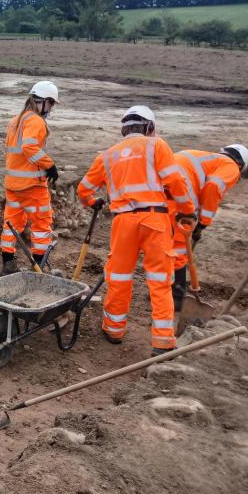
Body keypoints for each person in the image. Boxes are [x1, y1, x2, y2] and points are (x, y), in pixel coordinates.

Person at [77, 105, 194, 356]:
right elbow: (175, 181)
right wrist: (187, 210)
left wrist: (93, 202)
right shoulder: (157, 145)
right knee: (160, 281)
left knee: (118, 277)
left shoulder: (107, 155)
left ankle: (113, 330)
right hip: (155, 220)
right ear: (149, 126)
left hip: (123, 223)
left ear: (124, 129)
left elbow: (83, 190)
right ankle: (162, 342)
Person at [170, 144, 248, 311]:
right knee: (179, 251)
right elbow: (213, 187)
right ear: (241, 164)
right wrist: (203, 223)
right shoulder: (231, 166)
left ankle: (160, 289)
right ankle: (175, 298)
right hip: (178, 201)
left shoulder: (203, 156)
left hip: (155, 195)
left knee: (162, 245)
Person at [0, 81, 60, 276]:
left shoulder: (15, 120)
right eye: (51, 104)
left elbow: (12, 151)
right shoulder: (35, 121)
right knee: (42, 224)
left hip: (12, 184)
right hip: (32, 186)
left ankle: (8, 264)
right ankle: (38, 268)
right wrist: (48, 164)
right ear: (45, 101)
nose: (50, 109)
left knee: (11, 224)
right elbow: (29, 147)